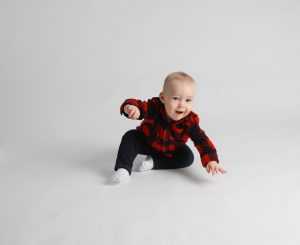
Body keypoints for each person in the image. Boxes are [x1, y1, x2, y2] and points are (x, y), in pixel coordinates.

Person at [110, 71, 227, 184]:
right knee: (130, 136)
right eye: (176, 98)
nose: (182, 104)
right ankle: (124, 169)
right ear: (163, 98)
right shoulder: (155, 107)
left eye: (188, 100)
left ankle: (154, 163)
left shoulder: (190, 122)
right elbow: (140, 106)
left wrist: (211, 160)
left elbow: (202, 140)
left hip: (170, 150)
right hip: (148, 142)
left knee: (187, 157)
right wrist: (130, 108)